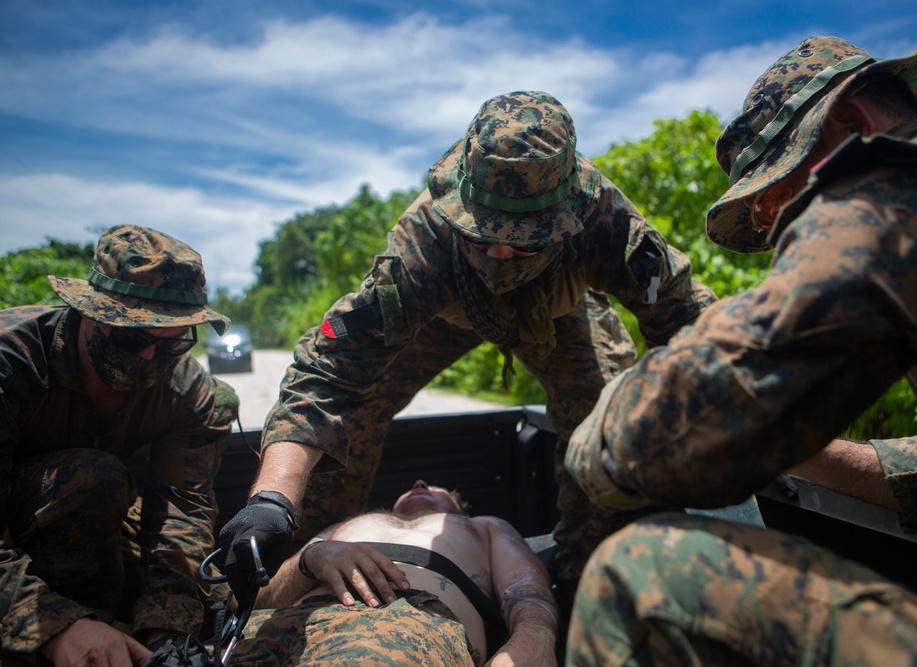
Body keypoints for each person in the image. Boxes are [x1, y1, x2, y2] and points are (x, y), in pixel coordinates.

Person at [565, 36, 917, 664]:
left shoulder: (901, 182)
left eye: (779, 193)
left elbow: (656, 442)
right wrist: (806, 448)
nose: (774, 226)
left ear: (852, 126)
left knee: (639, 570)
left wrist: (596, 436)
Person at [218, 90, 715, 619]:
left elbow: (690, 325)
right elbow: (331, 372)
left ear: (566, 216)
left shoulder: (607, 222)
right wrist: (272, 499)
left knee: (602, 424)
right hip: (442, 315)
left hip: (558, 315)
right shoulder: (424, 239)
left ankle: (582, 589)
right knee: (354, 413)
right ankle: (302, 576)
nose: (500, 254)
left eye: (523, 241)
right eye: (483, 237)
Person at [0, 225, 239, 666]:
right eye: (133, 338)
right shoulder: (10, 363)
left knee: (216, 596)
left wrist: (167, 631)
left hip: (97, 532)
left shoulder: (191, 393)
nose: (150, 358)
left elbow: (181, 513)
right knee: (94, 478)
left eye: (173, 343)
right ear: (89, 313)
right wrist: (57, 627)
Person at [225, 479, 558, 667]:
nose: (419, 482)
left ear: (457, 506)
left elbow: (526, 586)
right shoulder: (343, 528)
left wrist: (534, 641)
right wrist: (311, 559)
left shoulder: (481, 527)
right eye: (409, 486)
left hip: (400, 626)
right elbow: (245, 602)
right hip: (271, 628)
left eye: (437, 487)